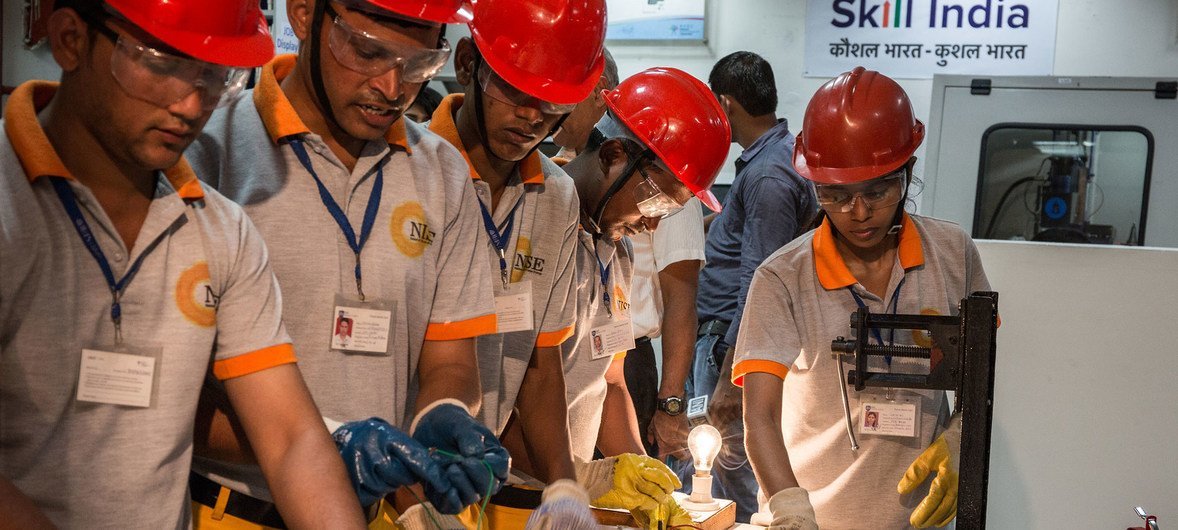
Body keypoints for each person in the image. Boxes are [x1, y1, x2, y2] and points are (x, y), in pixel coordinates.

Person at [0, 0, 366, 528]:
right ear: (71, 40)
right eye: (162, 64)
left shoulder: (223, 232)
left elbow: (290, 441)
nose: (192, 104)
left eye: (214, 75)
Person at [185, 0, 509, 527]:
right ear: (305, 14)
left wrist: (439, 416)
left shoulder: (442, 174)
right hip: (228, 510)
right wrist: (323, 443)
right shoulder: (210, 154)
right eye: (368, 51)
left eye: (419, 64)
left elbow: (451, 361)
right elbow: (167, 393)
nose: (392, 86)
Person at [737, 66, 991, 529]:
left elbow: (982, 379)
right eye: (834, 196)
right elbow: (760, 417)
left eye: (878, 191)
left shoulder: (953, 256)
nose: (858, 213)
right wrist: (791, 511)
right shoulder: (782, 278)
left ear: (907, 171)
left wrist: (960, 438)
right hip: (815, 518)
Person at [423, 0, 607, 526]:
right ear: (466, 64)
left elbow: (540, 364)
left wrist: (563, 487)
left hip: (476, 489)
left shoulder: (556, 195)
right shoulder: (411, 171)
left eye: (552, 104)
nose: (532, 117)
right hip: (392, 476)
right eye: (515, 91)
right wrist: (408, 496)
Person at [554, 66, 731, 529]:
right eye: (655, 206)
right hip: (518, 482)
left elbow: (610, 381)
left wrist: (638, 466)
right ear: (614, 153)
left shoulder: (619, 253)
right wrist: (567, 481)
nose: (654, 225)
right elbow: (522, 384)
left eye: (668, 213)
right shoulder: (540, 220)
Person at [682, 50, 818, 521]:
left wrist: (730, 378)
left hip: (728, 345)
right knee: (714, 476)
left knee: (729, 478)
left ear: (725, 103)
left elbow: (760, 283)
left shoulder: (767, 175)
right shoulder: (773, 160)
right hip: (721, 341)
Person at [551, 47, 618, 162]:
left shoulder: (641, 168)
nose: (546, 109)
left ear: (598, 92)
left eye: (557, 93)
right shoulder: (552, 171)